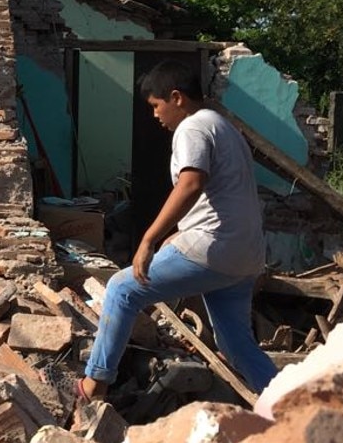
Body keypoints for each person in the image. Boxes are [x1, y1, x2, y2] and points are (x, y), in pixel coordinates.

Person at [78, 60, 278, 402]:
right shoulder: (223, 126)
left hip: (215, 247)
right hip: (245, 255)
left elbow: (191, 183)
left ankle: (95, 384)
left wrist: (149, 238)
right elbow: (220, 193)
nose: (155, 115)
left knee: (122, 289)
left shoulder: (193, 127)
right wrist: (181, 232)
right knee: (237, 346)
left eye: (156, 106)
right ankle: (289, 401)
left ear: (176, 97)